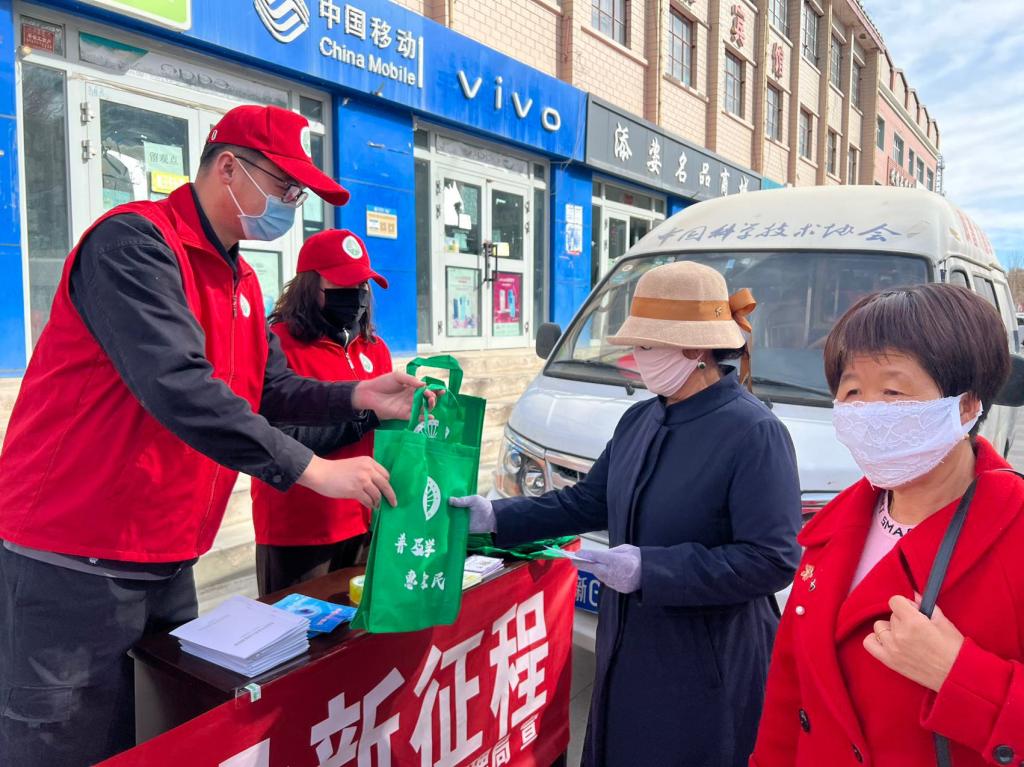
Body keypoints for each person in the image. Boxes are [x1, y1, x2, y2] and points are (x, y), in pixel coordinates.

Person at [0, 104, 434, 767]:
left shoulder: (242, 279)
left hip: (167, 555)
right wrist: (314, 469)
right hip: (74, 555)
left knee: (164, 732)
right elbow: (181, 386)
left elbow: (270, 387)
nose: (290, 205)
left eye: (298, 194)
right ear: (229, 167)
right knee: (64, 743)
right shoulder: (136, 245)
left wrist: (358, 395)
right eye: (285, 187)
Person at [452, 261, 803, 767]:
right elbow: (587, 502)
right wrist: (496, 517)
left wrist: (650, 569)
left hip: (705, 665)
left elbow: (771, 559)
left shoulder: (754, 433)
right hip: (629, 646)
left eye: (649, 346)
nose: (638, 357)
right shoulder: (641, 418)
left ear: (696, 350)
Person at [751, 284, 1024, 767]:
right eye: (852, 390)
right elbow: (789, 697)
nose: (867, 411)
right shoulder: (833, 529)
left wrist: (959, 675)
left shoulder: (1013, 530)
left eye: (893, 391)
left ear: (965, 406)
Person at [251, 229, 392, 595]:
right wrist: (366, 415)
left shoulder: (374, 348)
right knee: (302, 629)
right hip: (301, 531)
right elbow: (273, 440)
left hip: (365, 520)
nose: (356, 296)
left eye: (362, 285)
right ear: (309, 285)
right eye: (344, 284)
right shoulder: (277, 345)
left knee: (361, 627)